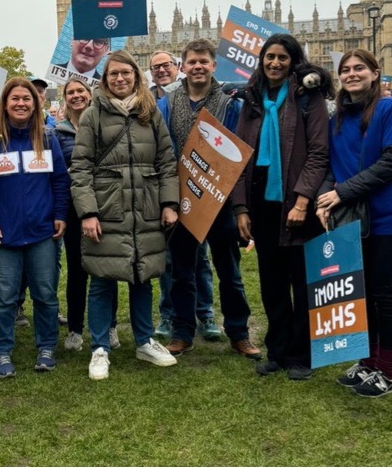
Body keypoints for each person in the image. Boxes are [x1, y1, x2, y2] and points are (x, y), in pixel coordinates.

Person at [316, 49, 392, 398]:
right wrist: (324, 197)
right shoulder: (338, 120)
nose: (351, 74)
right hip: (352, 219)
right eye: (345, 70)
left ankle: (386, 372)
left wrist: (342, 192)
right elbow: (331, 165)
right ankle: (367, 362)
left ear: (375, 73)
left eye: (359, 68)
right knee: (359, 295)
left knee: (384, 294)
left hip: (390, 217)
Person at [70, 50, 179, 380]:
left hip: (144, 207)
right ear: (105, 80)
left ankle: (144, 341)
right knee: (102, 279)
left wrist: (169, 204)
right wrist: (87, 212)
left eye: (126, 73)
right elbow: (81, 167)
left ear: (136, 76)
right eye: (113, 74)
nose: (120, 79)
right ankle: (100, 347)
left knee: (142, 275)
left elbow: (166, 162)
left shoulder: (150, 113)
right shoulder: (93, 114)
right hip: (108, 208)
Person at [230, 35, 331, 380]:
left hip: (296, 203)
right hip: (263, 205)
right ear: (261, 60)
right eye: (269, 57)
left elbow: (318, 153)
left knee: (302, 282)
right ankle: (278, 350)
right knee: (272, 282)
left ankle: (303, 354)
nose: (274, 63)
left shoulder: (307, 97)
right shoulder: (253, 100)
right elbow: (240, 157)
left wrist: (303, 200)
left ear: (293, 61)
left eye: (282, 58)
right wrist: (241, 208)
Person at [157, 39, 261, 361]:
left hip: (221, 201)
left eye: (204, 61)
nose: (198, 67)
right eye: (192, 62)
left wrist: (240, 205)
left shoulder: (231, 103)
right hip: (183, 201)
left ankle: (239, 333)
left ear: (214, 66)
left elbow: (240, 154)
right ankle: (183, 332)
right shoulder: (168, 102)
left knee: (229, 272)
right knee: (182, 273)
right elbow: (163, 150)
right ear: (183, 66)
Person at [0, 77, 70, 378]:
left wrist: (60, 214)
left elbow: (60, 181)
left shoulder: (48, 137)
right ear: (5, 103)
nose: (21, 103)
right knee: (3, 297)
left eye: (26, 98)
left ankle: (46, 346)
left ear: (35, 103)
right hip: (3, 234)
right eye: (14, 98)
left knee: (45, 294)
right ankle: (2, 351)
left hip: (42, 232)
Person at [55, 78, 121, 353]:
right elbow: (56, 171)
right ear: (65, 98)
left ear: (89, 94)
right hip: (72, 208)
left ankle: (111, 324)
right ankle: (75, 329)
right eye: (71, 92)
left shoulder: (103, 124)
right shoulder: (57, 132)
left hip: (104, 204)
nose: (76, 95)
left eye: (80, 91)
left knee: (107, 268)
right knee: (77, 269)